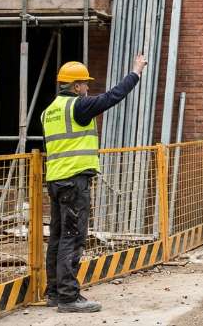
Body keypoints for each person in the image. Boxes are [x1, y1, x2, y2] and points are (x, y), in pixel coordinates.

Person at [41, 55, 147, 312]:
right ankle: (68, 297)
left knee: (56, 238)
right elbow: (112, 97)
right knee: (72, 238)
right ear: (76, 86)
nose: (87, 88)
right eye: (85, 84)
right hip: (74, 180)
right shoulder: (78, 106)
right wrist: (135, 73)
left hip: (55, 180)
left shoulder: (48, 112)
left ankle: (54, 292)